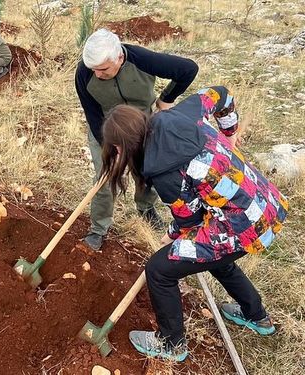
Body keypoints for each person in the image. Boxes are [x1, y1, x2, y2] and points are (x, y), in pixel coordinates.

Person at [99, 86, 289, 361]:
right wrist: (229, 132)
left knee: (159, 270)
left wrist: (171, 235)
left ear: (120, 147)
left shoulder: (162, 173)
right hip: (265, 201)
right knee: (212, 256)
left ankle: (171, 344)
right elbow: (221, 95)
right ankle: (257, 317)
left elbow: (190, 222)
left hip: (243, 225)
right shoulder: (176, 115)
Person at [75, 28, 199, 251]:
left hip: (143, 126)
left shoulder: (141, 59)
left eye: (103, 69)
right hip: (107, 128)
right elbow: (92, 115)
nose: (97, 75)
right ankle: (98, 229)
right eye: (93, 69)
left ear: (119, 58)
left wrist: (166, 98)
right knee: (104, 176)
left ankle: (145, 208)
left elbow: (188, 69)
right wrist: (110, 146)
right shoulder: (84, 73)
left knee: (147, 171)